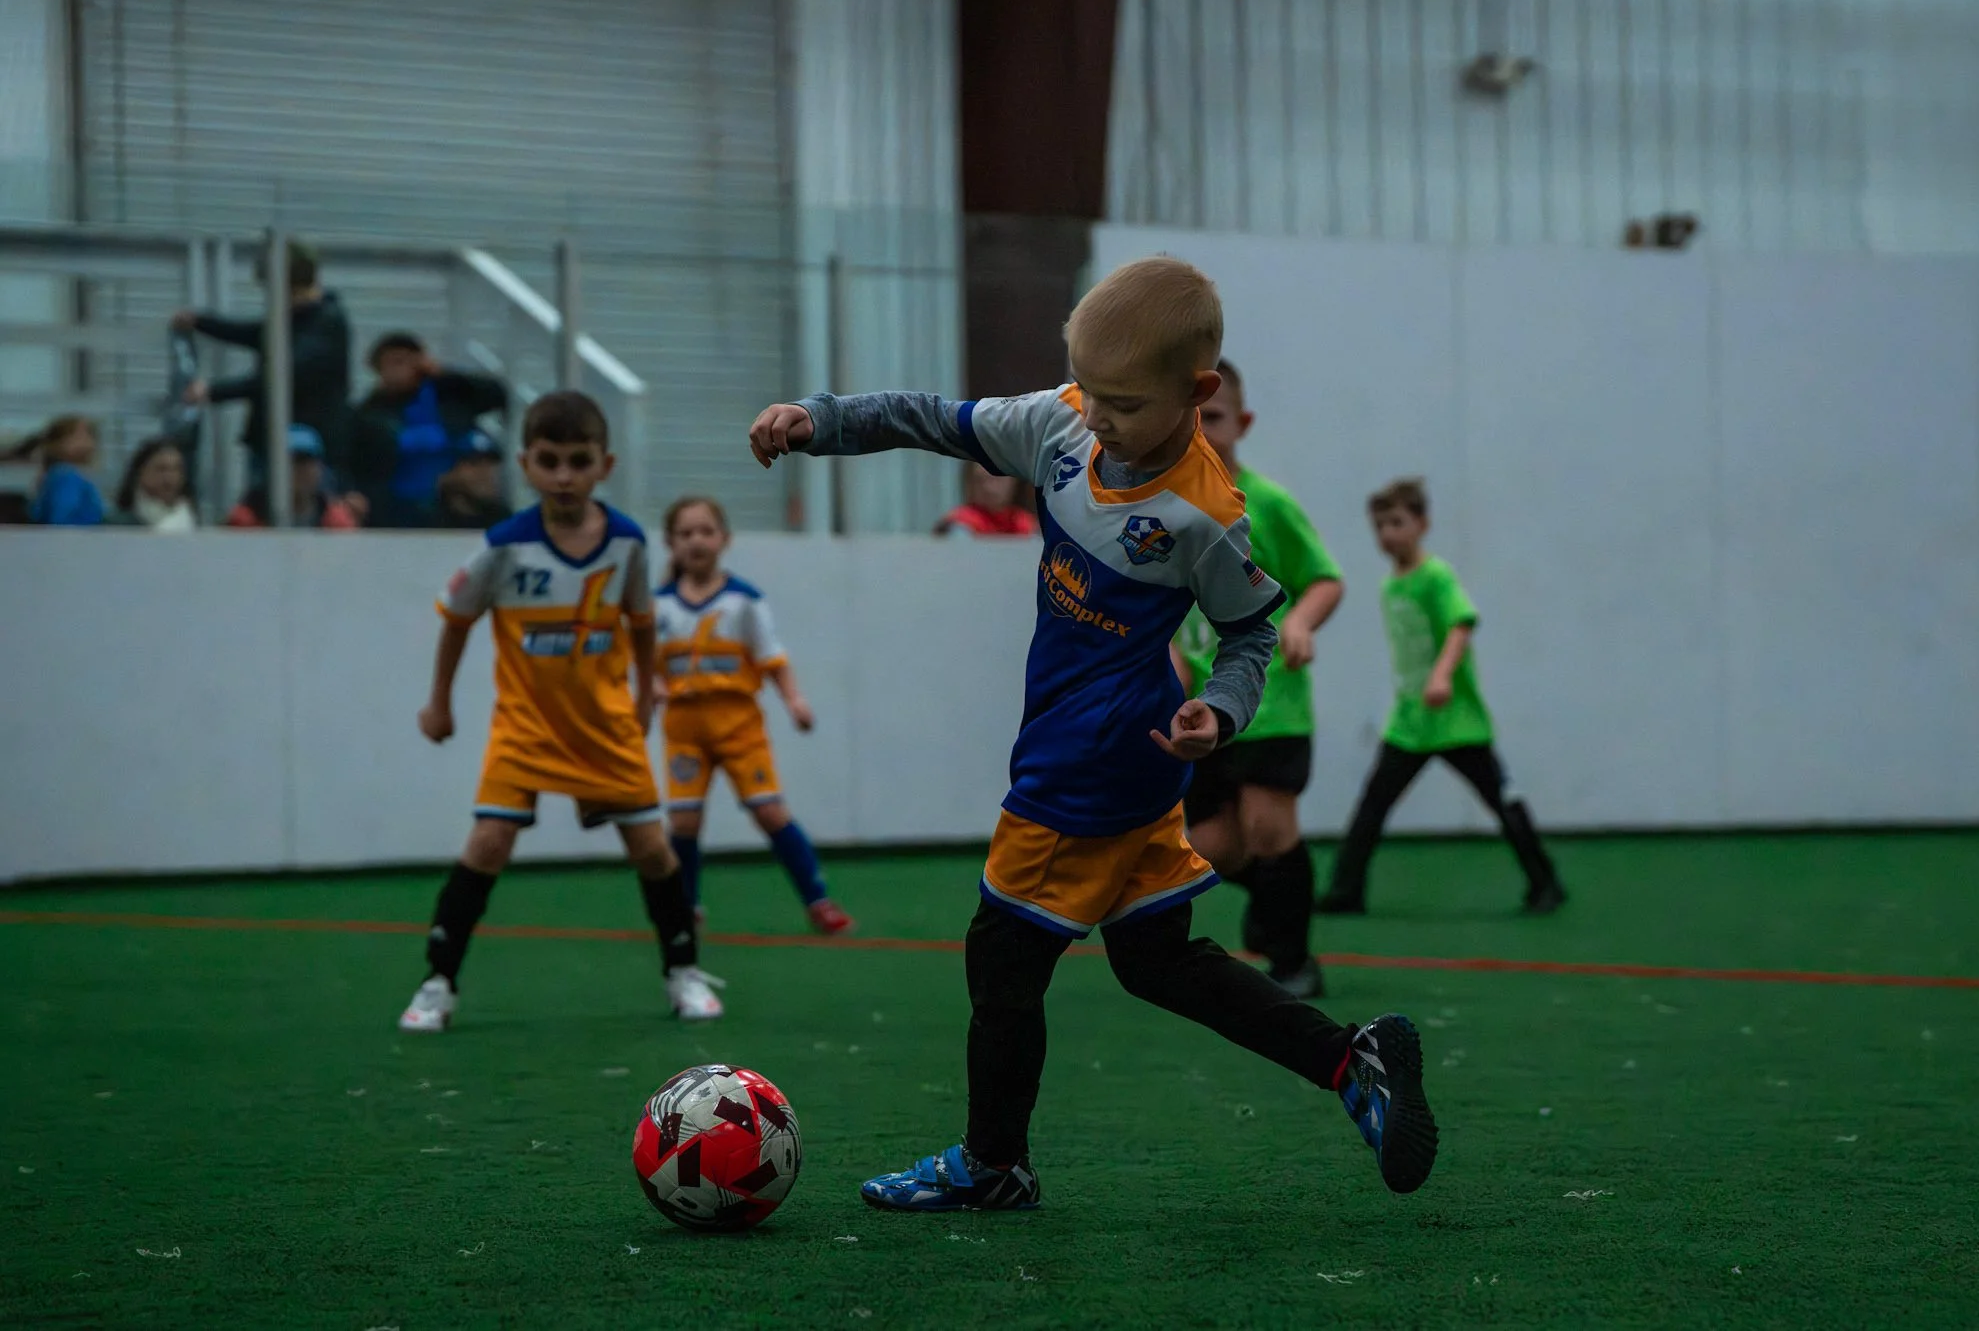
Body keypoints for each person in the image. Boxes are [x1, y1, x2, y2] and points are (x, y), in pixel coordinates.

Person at [747, 255, 1438, 1212]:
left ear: (1196, 393)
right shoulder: (1065, 420)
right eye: (1091, 391)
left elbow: (1249, 632)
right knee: (1157, 960)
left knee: (1001, 957)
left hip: (1086, 767)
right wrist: (820, 419)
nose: (1098, 417)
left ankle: (993, 1164)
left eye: (1124, 402)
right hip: (1128, 760)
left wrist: (1223, 710)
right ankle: (1349, 1063)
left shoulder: (1207, 515)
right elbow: (934, 418)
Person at [397, 390, 718, 1033]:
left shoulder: (626, 543)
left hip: (604, 725)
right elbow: (457, 621)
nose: (564, 475)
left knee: (654, 851)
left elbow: (643, 622)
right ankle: (438, 981)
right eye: (549, 461)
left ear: (607, 464)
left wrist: (644, 689)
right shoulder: (503, 548)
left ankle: (682, 970)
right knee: (487, 844)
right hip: (525, 727)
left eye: (579, 460)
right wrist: (439, 703)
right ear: (525, 464)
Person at [1169, 359, 1343, 998]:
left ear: (1241, 423)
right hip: (1207, 711)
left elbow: (1325, 578)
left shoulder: (1267, 504)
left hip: (1273, 701)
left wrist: (1300, 622)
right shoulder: (1168, 512)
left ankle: (1296, 963)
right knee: (1213, 844)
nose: (1202, 432)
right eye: (1190, 421)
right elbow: (1168, 614)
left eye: (1213, 418)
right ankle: (1274, 905)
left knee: (1270, 828)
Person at [1316, 478, 1566, 916]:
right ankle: (1346, 890)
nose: (1388, 534)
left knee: (1501, 799)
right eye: (1379, 526)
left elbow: (1461, 623)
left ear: (1422, 524)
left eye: (1397, 522)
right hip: (1410, 722)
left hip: (1455, 720)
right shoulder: (1391, 585)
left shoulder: (1436, 575)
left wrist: (1442, 676)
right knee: (1373, 804)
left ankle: (1545, 882)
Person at [656, 495, 856, 937]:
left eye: (705, 531)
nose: (696, 541)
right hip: (684, 730)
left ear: (724, 539)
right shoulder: (659, 607)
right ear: (670, 543)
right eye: (685, 533)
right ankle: (685, 907)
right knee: (683, 822)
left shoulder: (743, 601)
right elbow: (646, 665)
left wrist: (794, 700)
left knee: (770, 812)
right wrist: (649, 690)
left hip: (738, 726)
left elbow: (772, 658)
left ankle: (818, 901)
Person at [171, 239, 353, 491]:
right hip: (276, 442)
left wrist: (212, 391)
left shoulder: (324, 324)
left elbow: (281, 375)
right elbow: (256, 334)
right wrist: (202, 323)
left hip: (303, 450)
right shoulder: (300, 319)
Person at [351, 332, 510, 527]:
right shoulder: (367, 414)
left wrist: (444, 374)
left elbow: (497, 394)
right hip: (397, 507)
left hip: (455, 502)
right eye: (392, 363)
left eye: (405, 361)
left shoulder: (448, 395)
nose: (399, 370)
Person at [225, 426, 360, 530]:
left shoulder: (336, 522)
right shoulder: (245, 521)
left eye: (306, 461)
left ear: (320, 468)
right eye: (291, 462)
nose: (299, 470)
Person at [10, 416, 105, 526]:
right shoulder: (66, 476)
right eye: (77, 437)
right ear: (58, 443)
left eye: (90, 434)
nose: (87, 442)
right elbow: (60, 520)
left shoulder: (57, 474)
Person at [111, 437, 199, 531]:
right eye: (161, 469)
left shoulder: (193, 521)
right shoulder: (117, 525)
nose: (170, 477)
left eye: (176, 469)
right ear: (140, 473)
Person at [433, 429, 514, 530]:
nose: (484, 472)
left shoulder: (507, 522)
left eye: (490, 463)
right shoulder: (425, 523)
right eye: (474, 463)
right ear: (451, 471)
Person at [934, 463, 1037, 537]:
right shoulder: (962, 523)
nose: (988, 488)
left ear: (1014, 481)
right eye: (980, 480)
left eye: (997, 478)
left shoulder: (1025, 523)